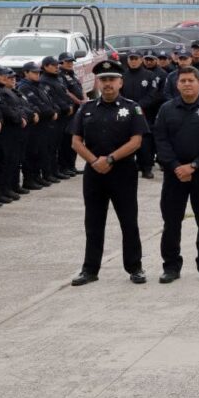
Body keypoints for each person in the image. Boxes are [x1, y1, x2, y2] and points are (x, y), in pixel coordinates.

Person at [69, 61, 150, 286]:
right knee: (93, 222)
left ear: (120, 82)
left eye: (112, 80)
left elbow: (136, 141)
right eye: (103, 80)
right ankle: (90, 269)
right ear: (98, 82)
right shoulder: (86, 109)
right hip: (94, 173)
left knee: (128, 221)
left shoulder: (132, 108)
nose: (107, 84)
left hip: (123, 172)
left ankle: (135, 267)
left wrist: (111, 158)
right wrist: (95, 161)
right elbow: (76, 141)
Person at [153, 66, 199, 284]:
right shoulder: (166, 109)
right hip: (174, 175)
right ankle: (171, 267)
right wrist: (177, 166)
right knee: (171, 223)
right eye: (182, 80)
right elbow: (160, 140)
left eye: (190, 80)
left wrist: (193, 166)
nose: (186, 84)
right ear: (177, 84)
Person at [122, 50, 162, 179]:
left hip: (145, 113)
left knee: (145, 142)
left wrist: (139, 106)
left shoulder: (150, 76)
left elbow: (153, 94)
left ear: (141, 60)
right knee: (126, 140)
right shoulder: (122, 76)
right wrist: (128, 106)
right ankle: (128, 168)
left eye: (136, 58)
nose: (133, 61)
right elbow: (119, 94)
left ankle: (146, 168)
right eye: (131, 58)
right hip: (126, 113)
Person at [0, 66, 27, 205]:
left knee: (10, 161)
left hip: (12, 131)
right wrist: (18, 118)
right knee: (0, 164)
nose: (6, 78)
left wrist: (21, 116)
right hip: (3, 133)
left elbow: (18, 106)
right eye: (2, 75)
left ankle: (6, 189)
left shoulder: (5, 90)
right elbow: (4, 109)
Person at [16, 62, 54, 191]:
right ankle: (29, 179)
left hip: (43, 123)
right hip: (34, 125)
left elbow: (47, 100)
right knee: (31, 153)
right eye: (34, 72)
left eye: (38, 72)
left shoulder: (37, 85)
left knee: (40, 151)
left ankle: (37, 176)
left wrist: (54, 110)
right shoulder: (24, 87)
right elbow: (34, 104)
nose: (37, 75)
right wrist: (50, 112)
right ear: (26, 73)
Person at [39, 56, 74, 182]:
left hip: (64, 115)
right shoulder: (44, 81)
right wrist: (65, 107)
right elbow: (52, 98)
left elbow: (65, 93)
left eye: (57, 65)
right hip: (55, 117)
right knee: (51, 147)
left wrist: (69, 104)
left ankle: (56, 170)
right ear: (46, 66)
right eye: (53, 65)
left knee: (60, 145)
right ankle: (50, 173)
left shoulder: (57, 78)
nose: (56, 67)